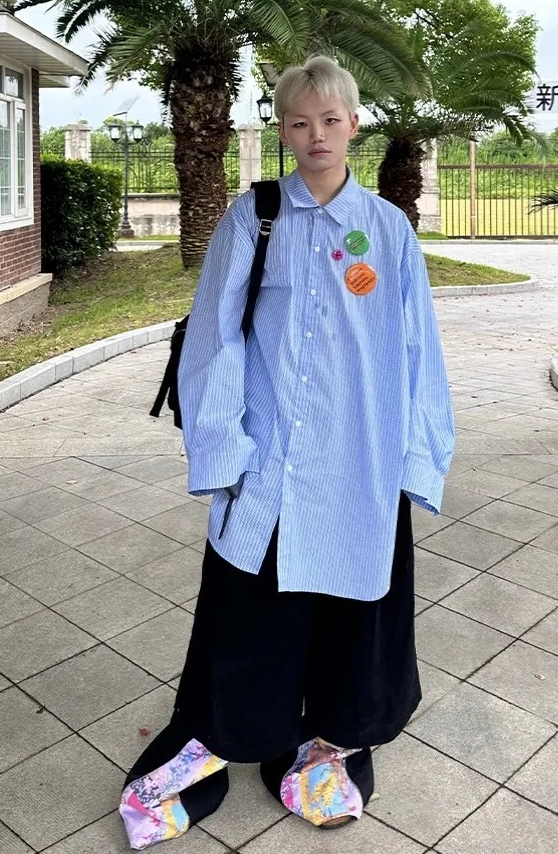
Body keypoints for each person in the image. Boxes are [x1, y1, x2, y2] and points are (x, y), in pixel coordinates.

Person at [119, 55, 455, 849]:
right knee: (248, 615)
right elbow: (214, 337)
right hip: (269, 459)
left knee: (350, 615)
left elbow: (419, 350)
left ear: (354, 125)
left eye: (330, 121)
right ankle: (226, 737)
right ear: (283, 129)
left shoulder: (387, 230)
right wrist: (224, 449)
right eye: (300, 123)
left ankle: (327, 741)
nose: (316, 136)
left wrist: (417, 460)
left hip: (361, 460)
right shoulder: (255, 217)